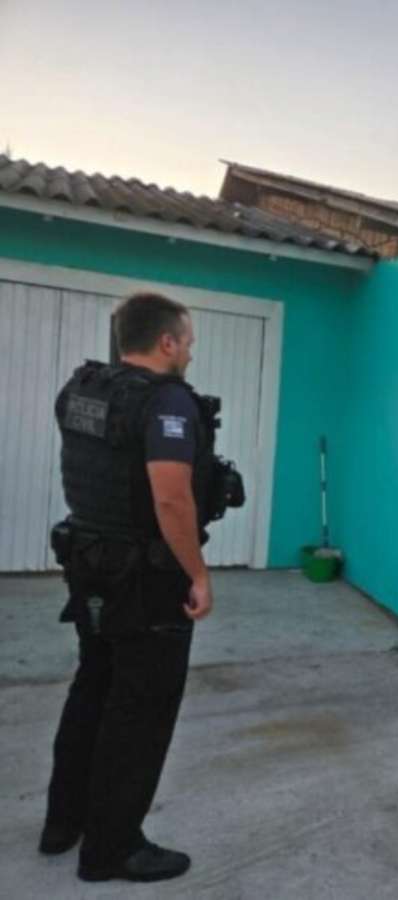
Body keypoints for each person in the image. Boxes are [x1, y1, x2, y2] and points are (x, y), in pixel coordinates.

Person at [41, 293, 235, 883]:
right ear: (167, 342)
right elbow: (170, 497)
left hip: (91, 562)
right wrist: (197, 573)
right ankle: (112, 848)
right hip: (147, 579)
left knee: (94, 688)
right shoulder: (166, 401)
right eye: (188, 341)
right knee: (140, 711)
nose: (191, 352)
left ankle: (64, 824)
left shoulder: (86, 390)